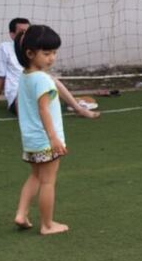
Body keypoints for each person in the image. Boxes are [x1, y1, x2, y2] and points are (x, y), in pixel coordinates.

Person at [12, 25, 95, 235]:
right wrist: (54, 138)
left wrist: (78, 108)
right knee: (48, 181)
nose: (52, 58)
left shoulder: (27, 75)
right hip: (46, 140)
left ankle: (21, 213)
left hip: (31, 140)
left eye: (54, 53)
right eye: (46, 53)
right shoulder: (41, 79)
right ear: (30, 53)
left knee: (35, 176)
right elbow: (43, 110)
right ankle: (47, 225)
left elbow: (56, 83)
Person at [0, 18, 97, 118]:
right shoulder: (4, 47)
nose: (25, 35)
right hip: (18, 95)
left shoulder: (37, 53)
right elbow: (0, 77)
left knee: (51, 81)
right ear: (12, 34)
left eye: (28, 31)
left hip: (37, 89)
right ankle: (69, 102)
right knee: (34, 111)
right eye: (21, 31)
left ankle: (77, 107)